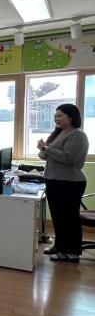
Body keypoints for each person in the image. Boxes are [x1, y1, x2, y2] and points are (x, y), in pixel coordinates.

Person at [38, 103, 89, 262]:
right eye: (55, 116)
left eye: (60, 116)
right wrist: (42, 148)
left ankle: (72, 252)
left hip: (70, 182)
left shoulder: (78, 135)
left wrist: (47, 149)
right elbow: (44, 156)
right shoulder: (58, 133)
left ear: (71, 117)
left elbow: (69, 158)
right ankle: (60, 246)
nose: (56, 119)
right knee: (58, 217)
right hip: (54, 181)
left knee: (69, 218)